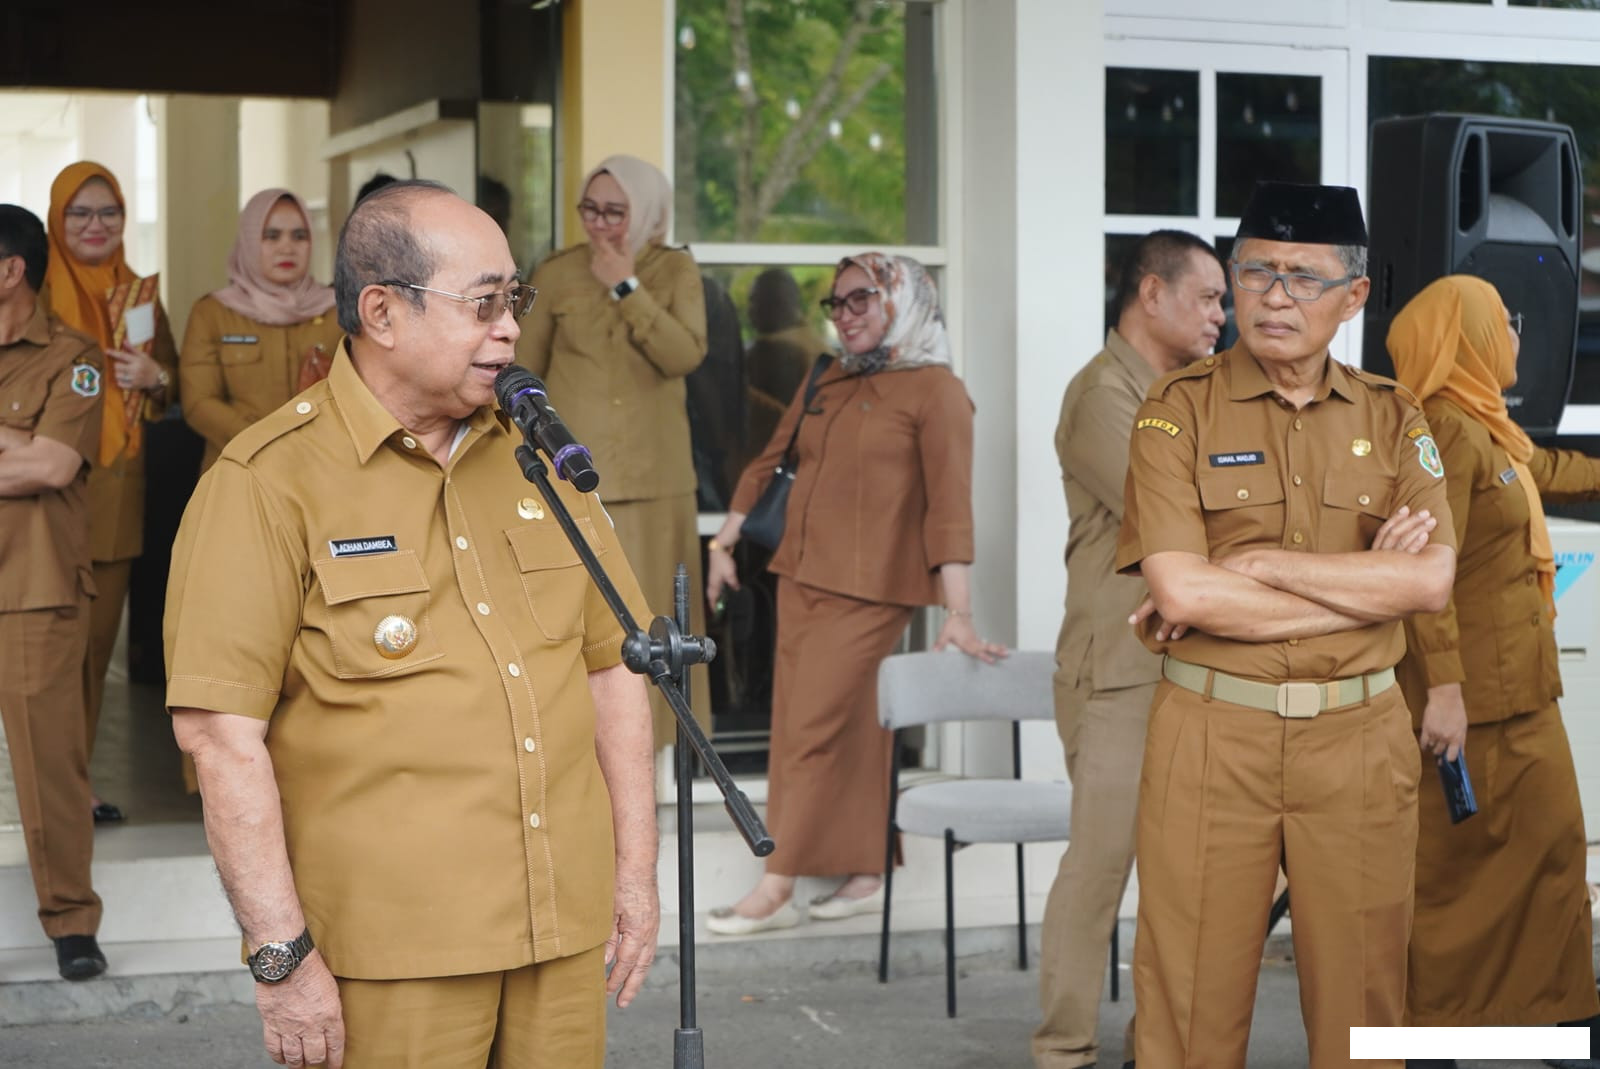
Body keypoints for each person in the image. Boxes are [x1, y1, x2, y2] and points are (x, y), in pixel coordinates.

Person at [163, 180, 659, 1069]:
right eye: (483, 303)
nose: (508, 328)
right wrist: (280, 958)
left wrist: (634, 873)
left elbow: (613, 666)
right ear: (382, 313)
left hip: (562, 927)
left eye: (515, 300)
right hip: (395, 956)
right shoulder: (267, 479)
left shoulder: (541, 457)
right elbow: (218, 736)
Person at [1116, 181, 1458, 1069]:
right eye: (1257, 272)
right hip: (1210, 733)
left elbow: (1429, 580)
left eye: (1303, 278)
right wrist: (1362, 581)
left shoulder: (1395, 416)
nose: (1274, 296)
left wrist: (1259, 565)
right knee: (1187, 1003)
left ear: (1354, 295)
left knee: (1365, 1008)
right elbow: (1183, 595)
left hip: (1359, 735)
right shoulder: (1174, 410)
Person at [702, 252, 1007, 934]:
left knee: (809, 726)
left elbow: (949, 508)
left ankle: (775, 884)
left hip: (872, 589)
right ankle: (867, 869)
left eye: (861, 300)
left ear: (900, 298)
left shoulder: (937, 390)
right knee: (837, 725)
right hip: (801, 573)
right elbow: (769, 461)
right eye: (835, 304)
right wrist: (724, 544)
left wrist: (958, 611)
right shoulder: (828, 373)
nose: (846, 316)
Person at [1386, 274, 1600, 1060]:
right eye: (1502, 320)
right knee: (1448, 882)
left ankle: (1559, 1020)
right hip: (1468, 704)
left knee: (1550, 856)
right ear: (1469, 338)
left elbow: (1540, 473)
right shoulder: (1441, 430)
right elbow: (1426, 577)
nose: (1516, 332)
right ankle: (1416, 1037)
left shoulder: (1487, 428)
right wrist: (1442, 688)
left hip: (1521, 695)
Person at [1033, 230, 1226, 1069]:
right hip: (1115, 672)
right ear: (1152, 294)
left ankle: (1162, 1047)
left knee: (1186, 877)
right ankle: (1064, 1050)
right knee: (1102, 866)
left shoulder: (1191, 390)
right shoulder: (1101, 395)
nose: (1226, 313)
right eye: (1211, 295)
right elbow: (1185, 510)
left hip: (1195, 665)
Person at [517, 154, 710, 749]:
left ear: (648, 212)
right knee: (578, 628)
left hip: (655, 484)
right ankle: (581, 757)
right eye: (590, 210)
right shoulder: (556, 271)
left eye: (615, 213)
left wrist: (628, 286)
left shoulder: (674, 271)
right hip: (574, 478)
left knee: (655, 628)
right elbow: (523, 372)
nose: (600, 225)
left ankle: (654, 763)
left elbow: (684, 356)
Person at [45, 161, 178, 824]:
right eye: (80, 213)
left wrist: (156, 378)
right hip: (41, 503)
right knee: (46, 657)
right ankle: (51, 785)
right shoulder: (27, 290)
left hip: (116, 498)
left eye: (109, 213)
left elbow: (170, 385)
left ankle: (77, 786)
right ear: (57, 217)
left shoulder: (141, 296)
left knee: (93, 654)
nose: (96, 226)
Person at [0, 204, 109, 980]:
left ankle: (71, 920)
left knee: (51, 763)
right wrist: (19, 441)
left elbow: (52, 467)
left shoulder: (76, 357)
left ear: (10, 270)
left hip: (34, 586)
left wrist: (33, 449)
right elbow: (25, 454)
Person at [180, 188, 344, 473]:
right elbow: (199, 403)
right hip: (238, 470)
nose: (286, 248)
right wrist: (265, 442)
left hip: (323, 473)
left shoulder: (339, 311)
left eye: (299, 236)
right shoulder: (213, 313)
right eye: (271, 236)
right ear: (249, 240)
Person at [745, 267, 827, 460]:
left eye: (756, 301)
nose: (751, 310)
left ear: (782, 304)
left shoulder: (775, 351)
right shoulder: (820, 348)